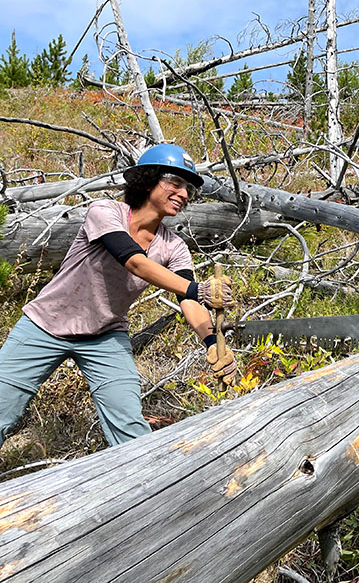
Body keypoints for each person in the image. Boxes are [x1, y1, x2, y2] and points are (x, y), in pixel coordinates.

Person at [0, 144, 237, 448]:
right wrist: (198, 289)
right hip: (45, 324)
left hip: (104, 335)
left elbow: (188, 300)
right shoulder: (105, 211)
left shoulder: (173, 246)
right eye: (175, 183)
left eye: (188, 188)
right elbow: (133, 260)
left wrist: (212, 342)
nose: (184, 194)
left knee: (129, 429)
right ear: (148, 180)